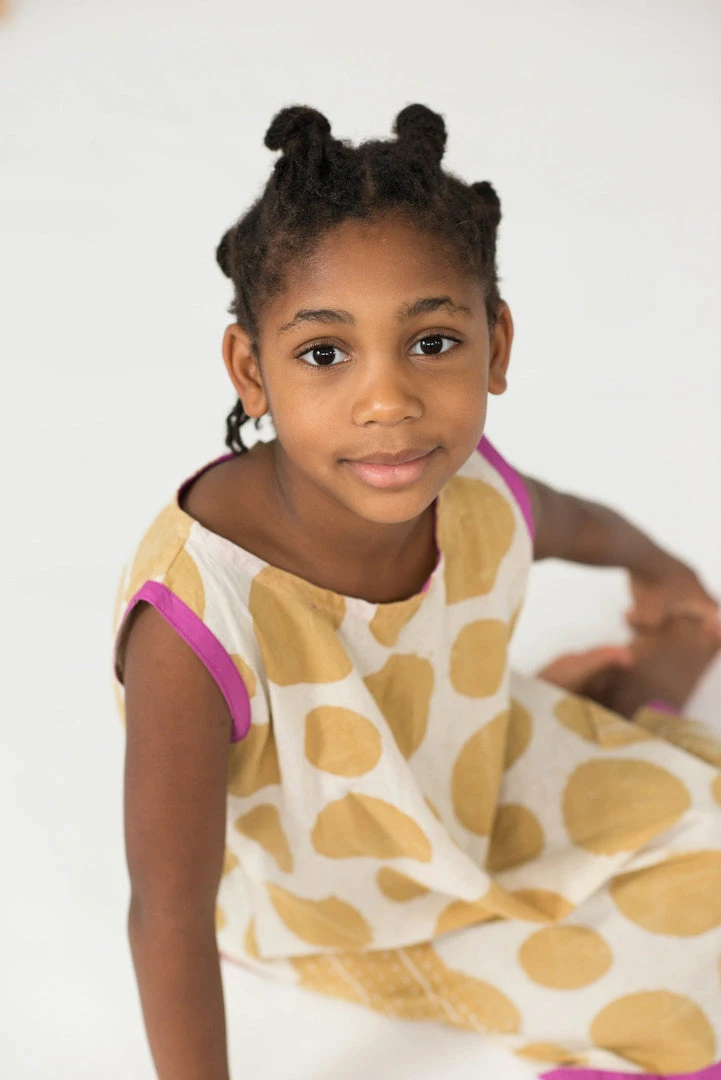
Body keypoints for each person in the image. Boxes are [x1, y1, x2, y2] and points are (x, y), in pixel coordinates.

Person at [111, 103, 721, 1080]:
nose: (388, 401)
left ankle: (626, 693)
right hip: (341, 909)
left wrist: (663, 574)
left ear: (496, 343)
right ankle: (626, 704)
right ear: (251, 371)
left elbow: (569, 522)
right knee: (687, 979)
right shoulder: (196, 624)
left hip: (466, 788)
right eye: (324, 354)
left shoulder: (472, 489)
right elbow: (167, 911)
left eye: (432, 342)